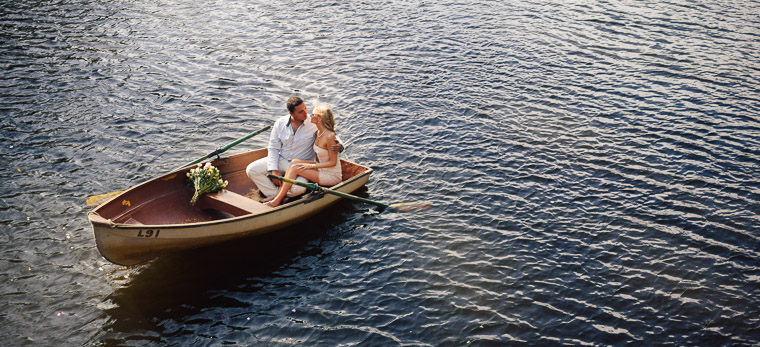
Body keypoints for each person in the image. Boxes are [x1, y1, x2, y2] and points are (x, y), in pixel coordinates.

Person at [246, 97, 341, 200]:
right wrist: (274, 170)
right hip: (281, 159)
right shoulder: (280, 123)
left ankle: (279, 194)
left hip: (302, 165)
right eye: (301, 112)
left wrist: (340, 145)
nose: (305, 113)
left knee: (298, 189)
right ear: (291, 113)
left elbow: (330, 134)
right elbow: (273, 148)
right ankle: (276, 194)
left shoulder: (314, 121)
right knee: (251, 170)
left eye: (305, 108)